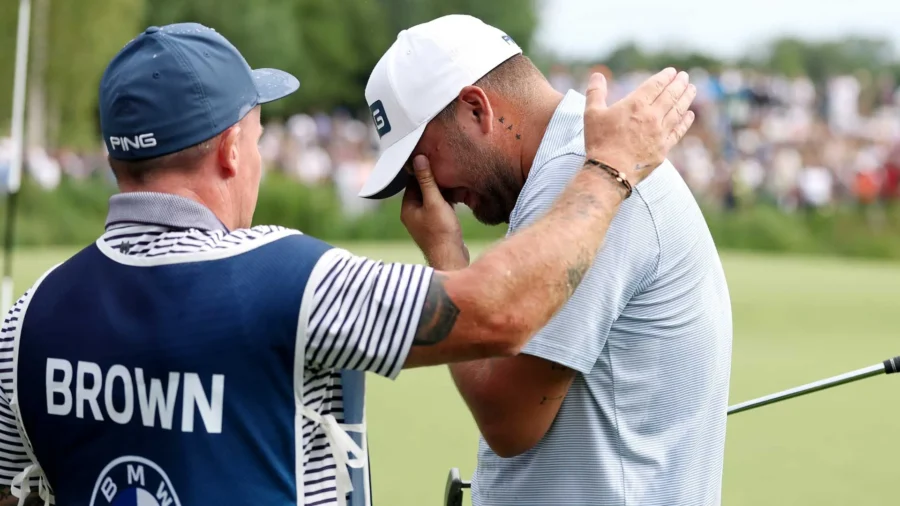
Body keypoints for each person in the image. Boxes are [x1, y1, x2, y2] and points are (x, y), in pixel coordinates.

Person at [0, 22, 693, 506]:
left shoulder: (26, 321)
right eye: (258, 136)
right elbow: (501, 311)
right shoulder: (290, 279)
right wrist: (609, 168)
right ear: (232, 150)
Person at [361, 15, 732, 506]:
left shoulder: (584, 176)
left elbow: (509, 420)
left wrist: (445, 254)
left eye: (422, 162)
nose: (430, 189)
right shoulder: (584, 161)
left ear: (476, 109)